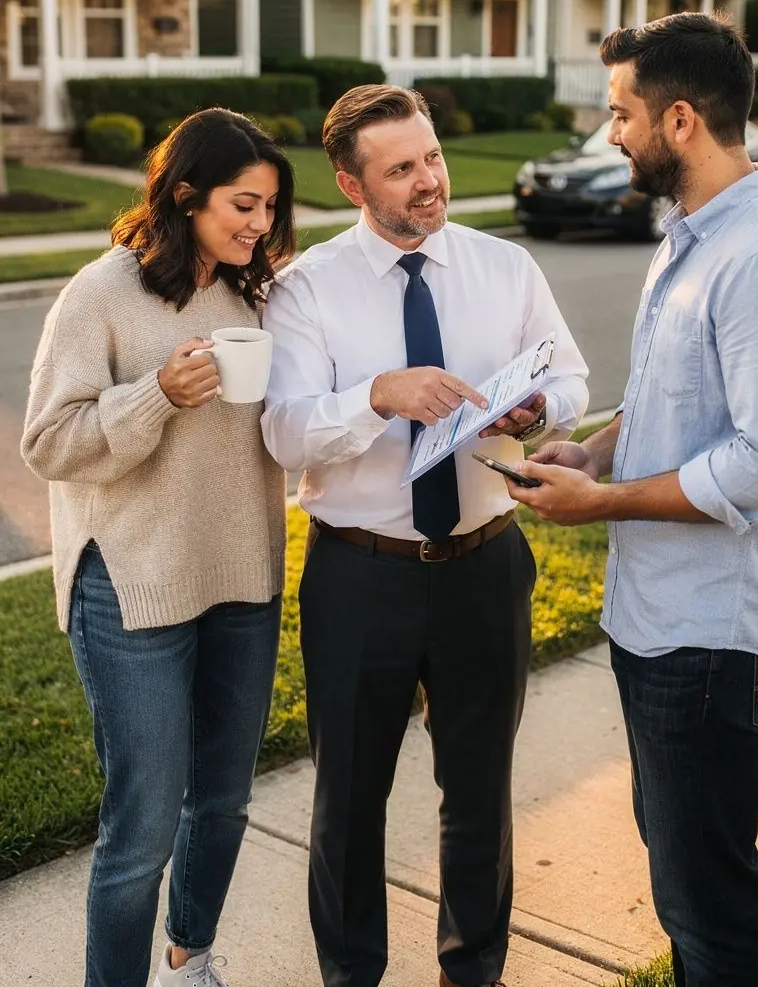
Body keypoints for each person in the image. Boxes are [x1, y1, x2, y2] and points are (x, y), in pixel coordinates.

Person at [505, 13, 758, 987]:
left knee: (707, 908)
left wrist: (599, 506)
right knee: (685, 884)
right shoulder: (691, 234)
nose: (611, 134)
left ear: (679, 120)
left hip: (717, 637)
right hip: (663, 624)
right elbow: (674, 396)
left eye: (621, 114)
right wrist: (595, 450)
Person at [261, 83, 588, 987]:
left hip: (486, 565)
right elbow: (284, 432)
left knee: (480, 793)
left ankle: (471, 971)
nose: (428, 181)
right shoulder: (305, 291)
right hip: (362, 576)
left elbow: (572, 374)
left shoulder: (505, 267)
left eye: (432, 157)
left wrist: (540, 403)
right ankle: (351, 974)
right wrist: (376, 396)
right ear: (349, 184)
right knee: (349, 802)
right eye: (400, 169)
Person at [21, 108, 296, 987]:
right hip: (133, 587)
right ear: (185, 195)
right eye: (243, 205)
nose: (260, 225)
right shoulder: (102, 294)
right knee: (140, 831)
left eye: (269, 209)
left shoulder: (257, 291)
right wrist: (156, 397)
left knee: (221, 801)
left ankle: (190, 961)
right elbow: (48, 443)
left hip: (243, 577)